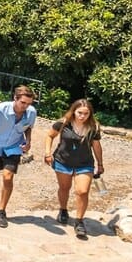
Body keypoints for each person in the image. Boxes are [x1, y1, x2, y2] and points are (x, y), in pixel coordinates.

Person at [45, 99, 104, 239]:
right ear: (74, 111)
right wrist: (47, 153)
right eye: (79, 113)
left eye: (86, 113)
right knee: (64, 188)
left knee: (82, 191)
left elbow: (96, 146)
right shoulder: (63, 123)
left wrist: (100, 164)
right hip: (63, 161)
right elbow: (49, 135)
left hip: (85, 163)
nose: (82, 116)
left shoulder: (93, 127)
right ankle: (63, 210)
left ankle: (79, 221)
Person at [0, 85, 37, 228]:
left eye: (29, 104)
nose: (25, 106)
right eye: (23, 102)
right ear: (15, 98)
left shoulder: (31, 113)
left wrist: (28, 141)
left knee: (7, 177)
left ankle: (2, 210)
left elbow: (28, 127)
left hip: (13, 147)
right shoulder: (0, 109)